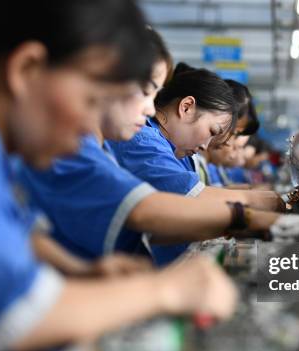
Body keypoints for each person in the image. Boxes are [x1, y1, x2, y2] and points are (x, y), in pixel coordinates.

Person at [0, 2, 237, 351]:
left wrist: (81, 270)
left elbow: (12, 233)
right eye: (93, 101)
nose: (92, 128)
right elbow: (19, 318)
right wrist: (165, 290)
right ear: (27, 70)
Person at [18, 31, 299, 266]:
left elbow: (150, 227)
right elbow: (147, 211)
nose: (151, 107)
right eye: (145, 90)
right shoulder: (129, 142)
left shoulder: (96, 148)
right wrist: (260, 215)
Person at [109, 63, 288, 264]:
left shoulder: (173, 150)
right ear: (186, 107)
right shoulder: (144, 142)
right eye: (212, 132)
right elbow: (194, 200)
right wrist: (266, 205)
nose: (207, 146)